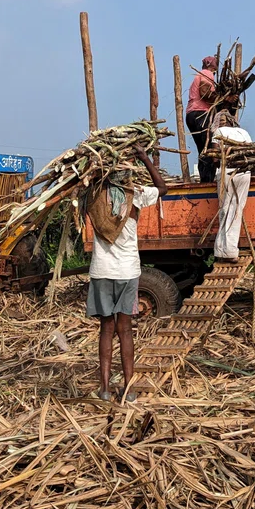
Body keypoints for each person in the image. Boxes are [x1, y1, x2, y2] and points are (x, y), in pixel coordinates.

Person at [85, 145, 167, 403]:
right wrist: (145, 158)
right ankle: (129, 389)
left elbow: (81, 184)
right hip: (128, 272)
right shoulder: (136, 195)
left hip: (102, 272)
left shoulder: (95, 195)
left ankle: (105, 388)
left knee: (106, 329)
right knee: (126, 330)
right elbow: (163, 188)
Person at [210, 111, 252, 263]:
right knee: (236, 209)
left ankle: (227, 251)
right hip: (244, 172)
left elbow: (215, 157)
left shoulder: (219, 132)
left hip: (226, 171)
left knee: (225, 209)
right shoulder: (244, 133)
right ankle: (223, 249)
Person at [185, 56, 220, 183]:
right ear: (212, 65)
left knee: (202, 149)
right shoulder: (207, 74)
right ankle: (207, 181)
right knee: (209, 147)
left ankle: (205, 179)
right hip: (200, 113)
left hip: (191, 114)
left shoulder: (198, 75)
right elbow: (205, 93)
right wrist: (222, 98)